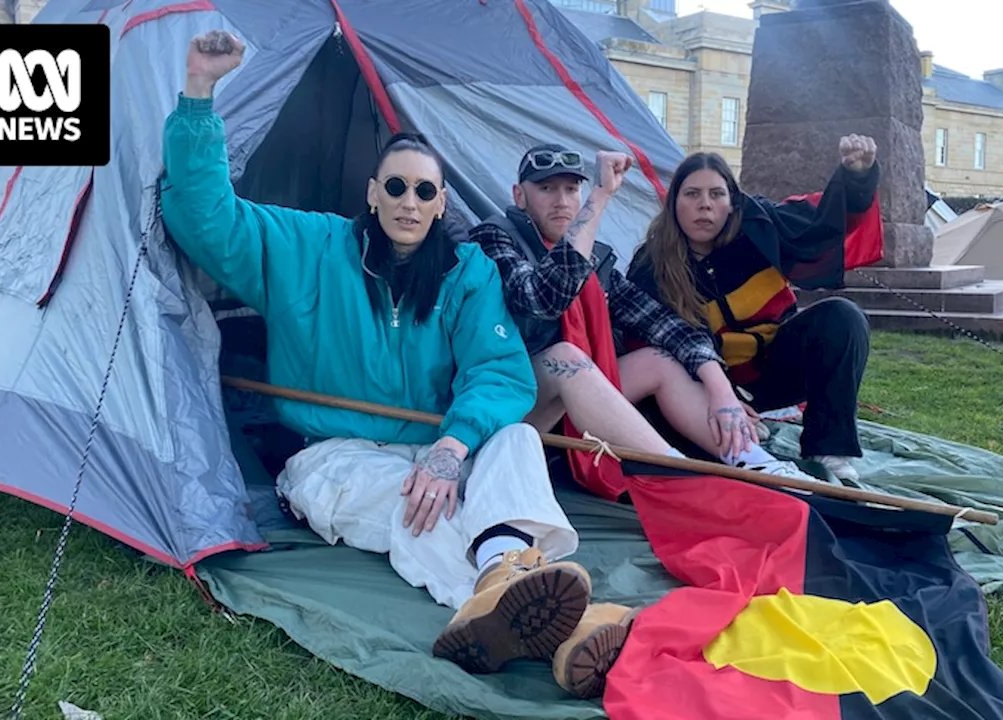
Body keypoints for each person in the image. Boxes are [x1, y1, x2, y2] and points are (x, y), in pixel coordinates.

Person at [162, 30, 625, 698]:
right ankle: (559, 612)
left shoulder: (466, 271)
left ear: (441, 205)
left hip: (436, 448)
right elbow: (207, 218)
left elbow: (497, 372)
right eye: (398, 187)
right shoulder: (309, 246)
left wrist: (451, 447)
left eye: (425, 192)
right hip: (330, 455)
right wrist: (200, 93)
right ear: (373, 193)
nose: (411, 202)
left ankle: (499, 592)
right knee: (427, 509)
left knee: (518, 436)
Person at [469, 144, 817, 503]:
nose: (561, 201)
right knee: (566, 356)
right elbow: (541, 299)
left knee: (659, 357)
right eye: (546, 188)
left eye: (572, 189)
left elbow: (663, 323)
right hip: (513, 403)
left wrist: (721, 391)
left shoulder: (596, 257)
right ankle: (678, 475)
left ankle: (752, 460)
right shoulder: (494, 237)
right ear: (519, 196)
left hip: (578, 400)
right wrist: (602, 196)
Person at [625, 136, 881, 482]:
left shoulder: (760, 226)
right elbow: (654, 347)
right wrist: (718, 397)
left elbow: (823, 222)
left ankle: (829, 447)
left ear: (732, 201)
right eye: (692, 194)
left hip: (776, 367)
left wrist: (858, 176)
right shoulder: (651, 266)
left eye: (716, 194)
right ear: (673, 203)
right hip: (703, 384)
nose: (705, 205)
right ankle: (735, 433)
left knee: (842, 316)